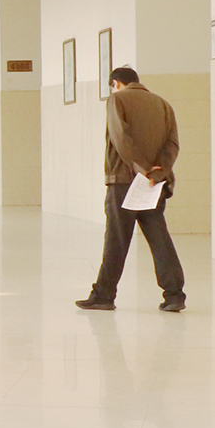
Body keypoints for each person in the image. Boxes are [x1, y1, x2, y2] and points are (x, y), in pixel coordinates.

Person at [74, 66, 186, 313]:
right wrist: (157, 173)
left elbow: (120, 138)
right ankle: (175, 295)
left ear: (115, 83)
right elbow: (172, 144)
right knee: (160, 239)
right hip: (154, 184)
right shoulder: (163, 104)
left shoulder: (117, 100)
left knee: (116, 239)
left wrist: (142, 168)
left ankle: (103, 295)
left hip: (124, 182)